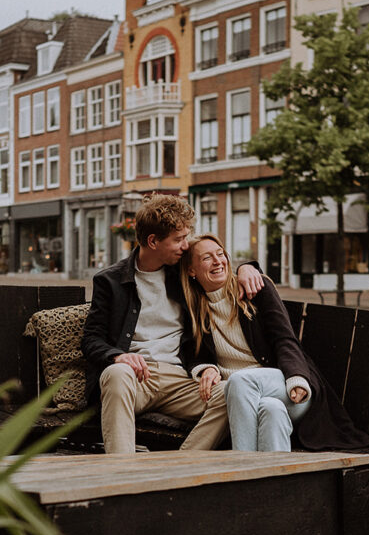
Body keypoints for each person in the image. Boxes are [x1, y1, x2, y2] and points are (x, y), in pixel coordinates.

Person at [81, 195, 262, 454]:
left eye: (186, 237)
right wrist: (118, 356)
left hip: (179, 380)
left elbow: (217, 268)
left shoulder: (184, 275)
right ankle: (121, 475)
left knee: (230, 392)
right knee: (115, 373)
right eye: (178, 239)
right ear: (153, 241)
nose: (185, 246)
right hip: (134, 379)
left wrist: (247, 267)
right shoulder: (110, 281)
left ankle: (181, 466)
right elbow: (91, 339)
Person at [180, 233, 369, 452]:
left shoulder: (255, 289)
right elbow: (192, 353)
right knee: (270, 410)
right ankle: (274, 482)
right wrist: (205, 369)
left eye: (220, 254)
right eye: (206, 258)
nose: (218, 261)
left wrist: (296, 377)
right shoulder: (194, 308)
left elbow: (285, 338)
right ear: (191, 270)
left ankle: (241, 467)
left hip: (286, 386)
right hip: (251, 400)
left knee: (239, 381)